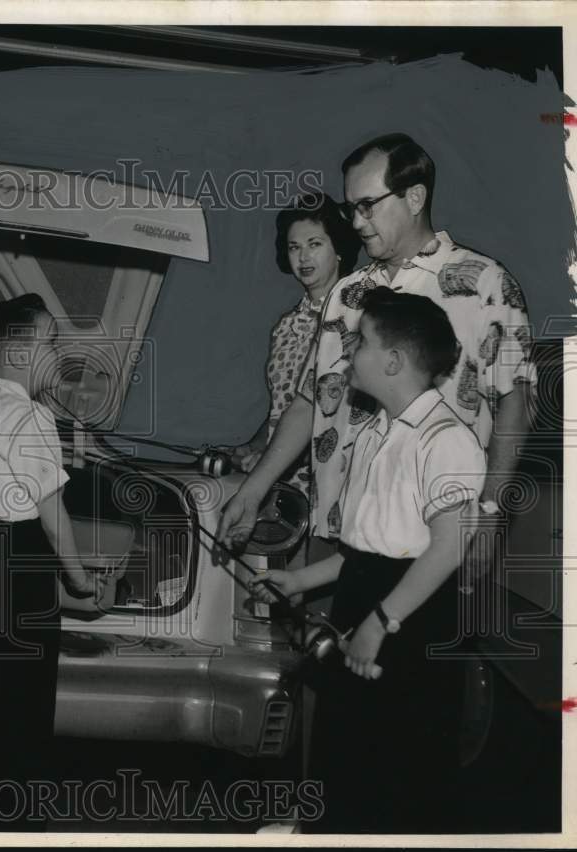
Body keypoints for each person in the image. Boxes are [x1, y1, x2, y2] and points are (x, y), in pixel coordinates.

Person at [217, 132, 536, 559]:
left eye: (367, 206)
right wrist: (252, 491)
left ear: (415, 197)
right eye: (352, 208)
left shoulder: (485, 284)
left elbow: (517, 403)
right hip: (337, 532)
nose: (355, 222)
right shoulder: (347, 294)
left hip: (433, 537)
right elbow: (311, 399)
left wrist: (489, 510)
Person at [249, 287, 485, 832]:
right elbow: (369, 549)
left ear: (395, 361)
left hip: (411, 618)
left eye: (360, 342)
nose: (348, 353)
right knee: (347, 748)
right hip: (373, 595)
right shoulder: (378, 431)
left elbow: (446, 550)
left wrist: (380, 622)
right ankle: (328, 830)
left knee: (399, 771)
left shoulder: (446, 440)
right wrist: (300, 579)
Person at [0, 294, 98, 827]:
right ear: (15, 353)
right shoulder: (29, 416)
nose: (60, 354)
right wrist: (79, 579)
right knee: (25, 715)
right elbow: (51, 508)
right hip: (18, 573)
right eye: (51, 342)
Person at [231, 192, 361, 499]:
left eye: (315, 244)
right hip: (279, 480)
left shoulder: (356, 319)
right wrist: (254, 445)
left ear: (338, 248)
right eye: (294, 247)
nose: (303, 257)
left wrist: (270, 463)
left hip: (332, 481)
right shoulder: (288, 325)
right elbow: (288, 406)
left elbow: (338, 415)